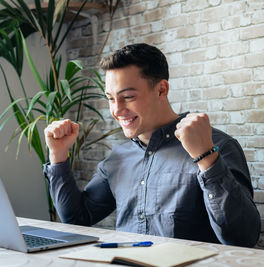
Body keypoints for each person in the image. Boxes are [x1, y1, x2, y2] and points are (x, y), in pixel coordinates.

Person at [43, 43, 261, 247]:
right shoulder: (119, 157)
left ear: (161, 90)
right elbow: (77, 218)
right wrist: (58, 155)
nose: (117, 110)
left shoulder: (217, 146)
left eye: (127, 96)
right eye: (110, 98)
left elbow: (242, 239)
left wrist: (206, 157)